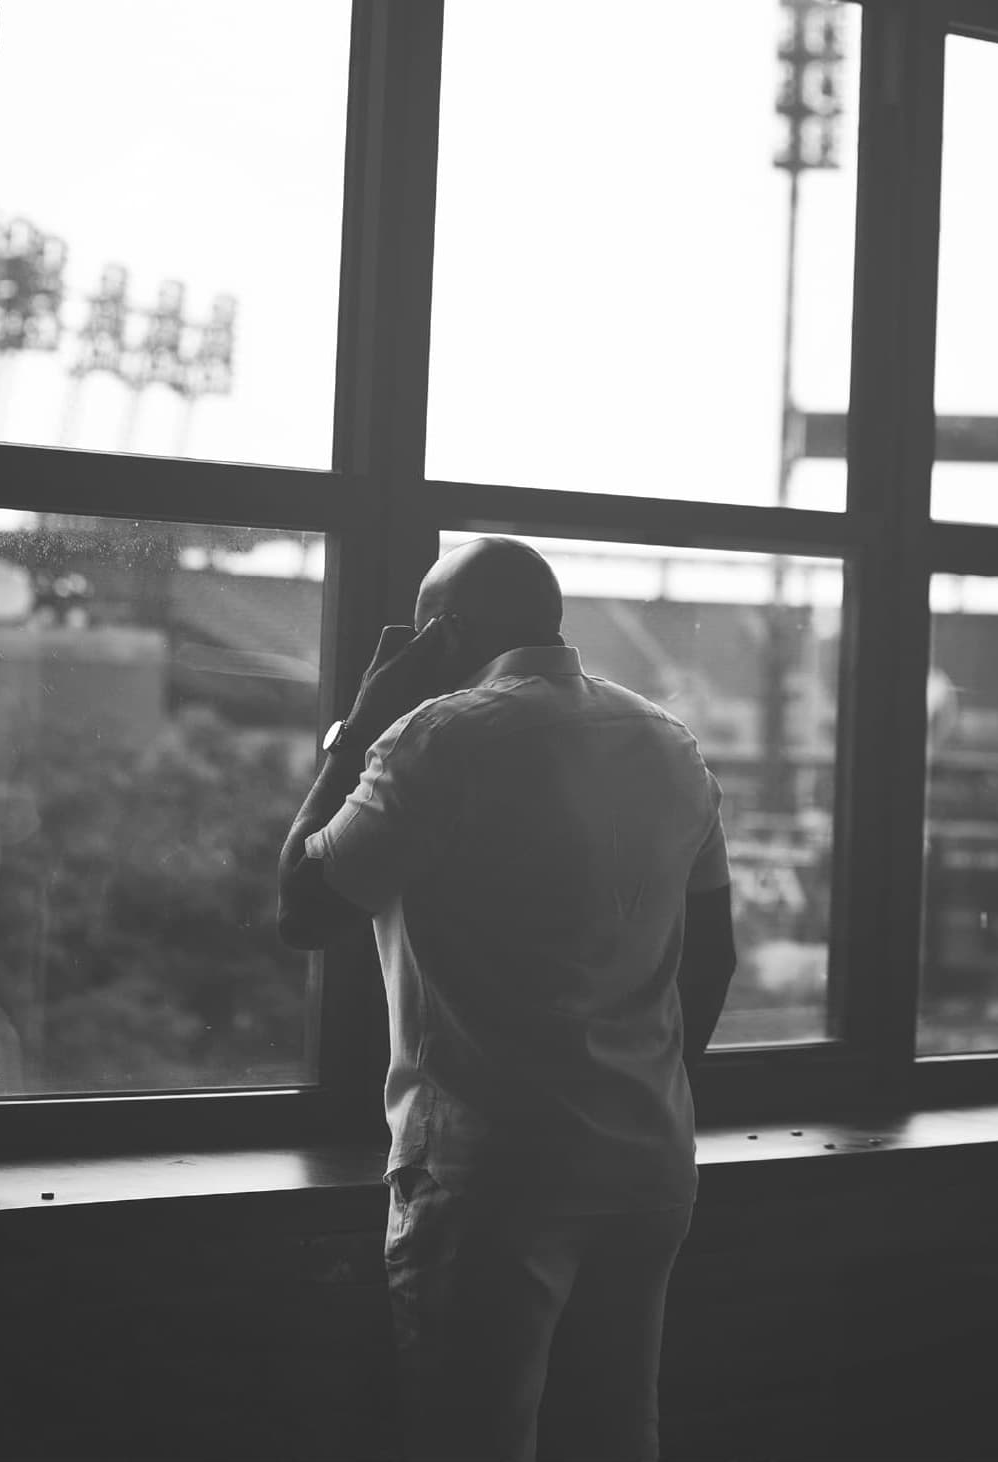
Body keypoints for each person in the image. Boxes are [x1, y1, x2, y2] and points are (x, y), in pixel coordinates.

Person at [278, 535, 736, 1462]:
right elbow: (714, 954)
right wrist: (649, 1090)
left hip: (493, 1173)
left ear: (442, 632)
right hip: (647, 1161)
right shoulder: (668, 741)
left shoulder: (440, 738)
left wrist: (362, 720)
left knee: (474, 1439)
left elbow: (303, 907)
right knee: (616, 1432)